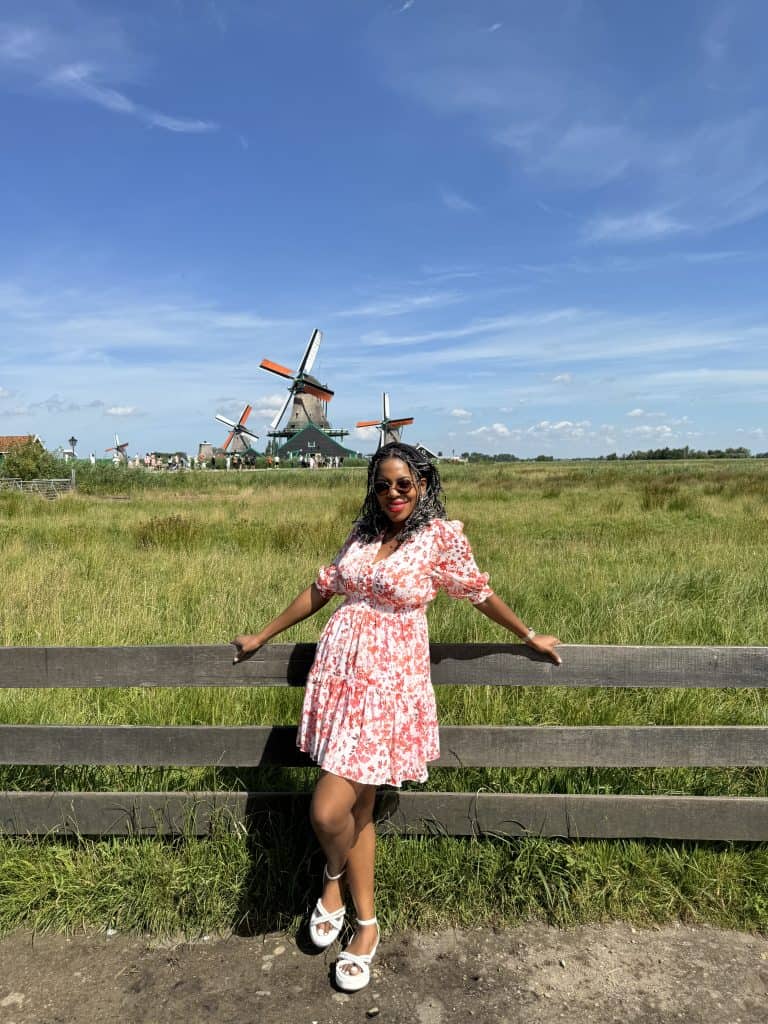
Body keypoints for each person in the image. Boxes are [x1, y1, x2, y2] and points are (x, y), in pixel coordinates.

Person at [231, 442, 561, 992]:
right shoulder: (363, 534)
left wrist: (529, 635)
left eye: (404, 484)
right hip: (341, 681)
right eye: (383, 485)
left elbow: (478, 593)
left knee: (327, 808)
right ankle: (364, 923)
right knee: (355, 807)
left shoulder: (439, 539)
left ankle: (331, 877)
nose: (392, 494)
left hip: (388, 688)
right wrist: (261, 634)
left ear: (425, 485)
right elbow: (322, 588)